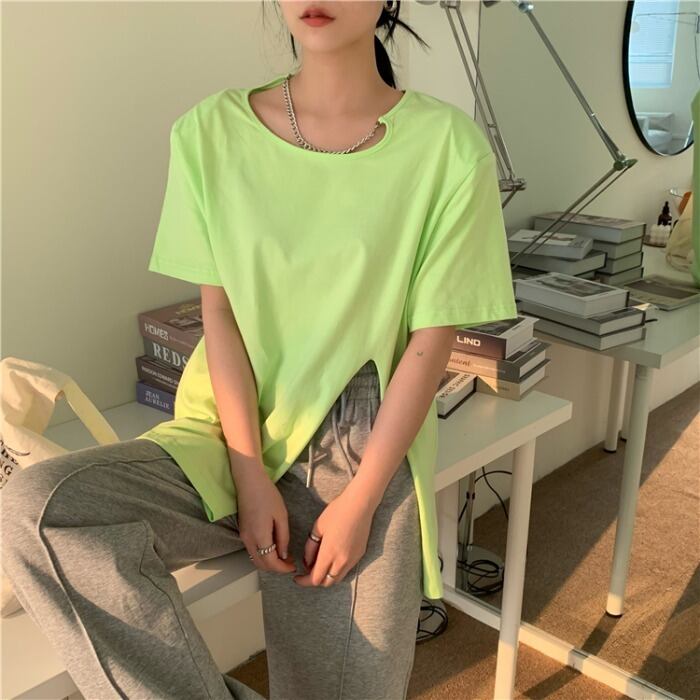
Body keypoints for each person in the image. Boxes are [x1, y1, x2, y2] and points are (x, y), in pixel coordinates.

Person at [0, 1, 518, 699]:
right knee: (40, 510)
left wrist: (363, 499)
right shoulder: (210, 131)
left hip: (356, 449)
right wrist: (248, 475)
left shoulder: (448, 147)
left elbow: (432, 340)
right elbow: (221, 313)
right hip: (223, 433)